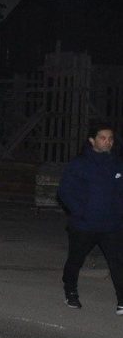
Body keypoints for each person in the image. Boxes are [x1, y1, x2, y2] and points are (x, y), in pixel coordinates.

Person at [58, 123, 123, 312]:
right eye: (103, 138)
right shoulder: (79, 164)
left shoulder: (118, 164)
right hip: (84, 225)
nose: (107, 142)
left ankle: (121, 301)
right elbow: (65, 191)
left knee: (117, 262)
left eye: (110, 138)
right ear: (92, 140)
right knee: (75, 260)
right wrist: (80, 212)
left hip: (111, 225)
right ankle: (70, 292)